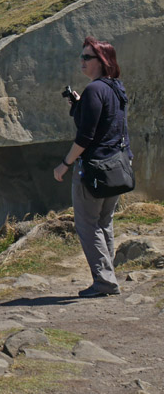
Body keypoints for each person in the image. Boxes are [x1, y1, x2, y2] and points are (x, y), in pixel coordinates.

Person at [53, 36, 131, 298]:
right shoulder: (115, 88)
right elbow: (108, 125)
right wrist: (78, 105)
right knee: (104, 222)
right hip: (116, 166)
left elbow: (86, 137)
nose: (82, 61)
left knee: (87, 224)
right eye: (82, 56)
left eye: (87, 57)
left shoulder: (95, 90)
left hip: (95, 169)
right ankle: (107, 278)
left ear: (102, 60)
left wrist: (65, 164)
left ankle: (105, 282)